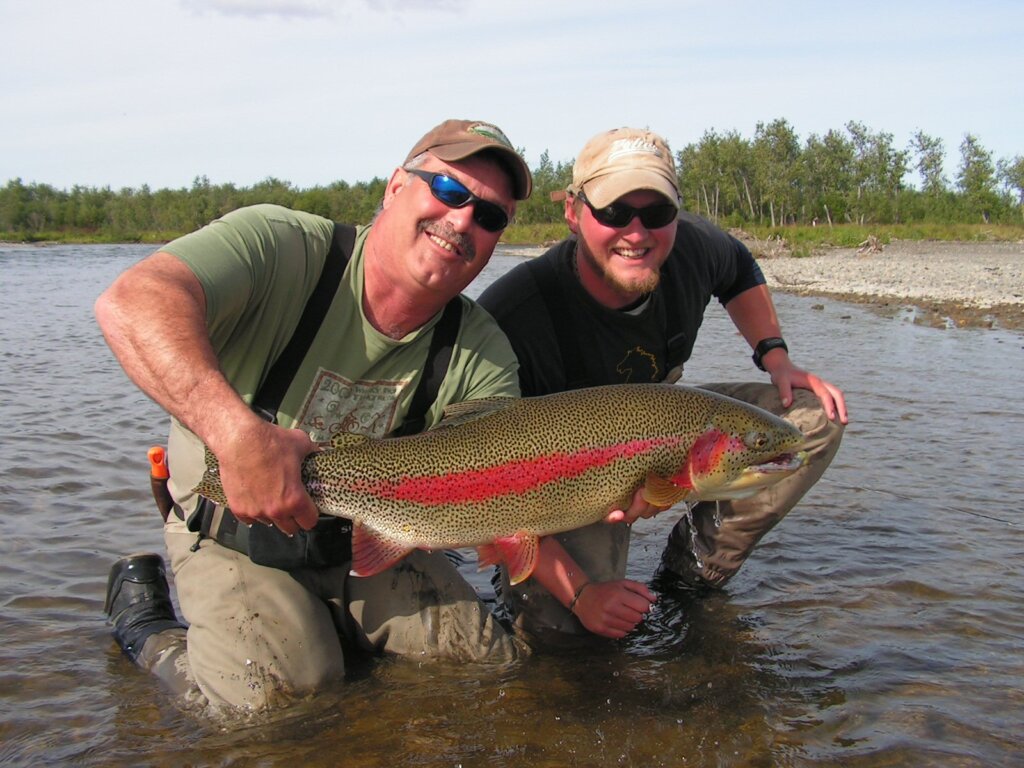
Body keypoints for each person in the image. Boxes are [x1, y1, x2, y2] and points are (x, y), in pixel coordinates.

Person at [95, 119, 533, 710]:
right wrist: (236, 434)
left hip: (368, 538)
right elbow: (131, 303)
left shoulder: (482, 351)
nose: (462, 221)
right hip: (234, 533)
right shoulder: (281, 245)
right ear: (395, 185)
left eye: (490, 216)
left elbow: (497, 484)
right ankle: (148, 630)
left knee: (487, 673)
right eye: (450, 192)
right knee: (277, 706)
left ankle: (329, 633)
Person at [477, 127, 848, 647]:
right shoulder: (515, 314)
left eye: (656, 213)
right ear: (574, 214)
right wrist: (581, 593)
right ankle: (522, 590)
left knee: (811, 420)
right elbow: (483, 481)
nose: (637, 231)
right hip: (552, 478)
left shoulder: (693, 248)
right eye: (612, 213)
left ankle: (691, 574)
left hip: (662, 435)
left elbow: (739, 268)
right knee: (566, 634)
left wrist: (775, 356)